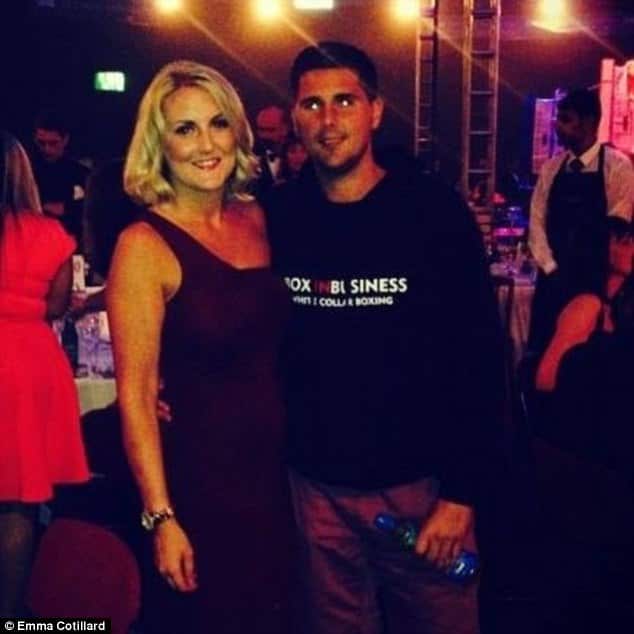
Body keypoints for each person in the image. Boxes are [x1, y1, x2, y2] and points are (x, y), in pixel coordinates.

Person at [263, 42, 505, 634]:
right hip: (317, 490)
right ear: (294, 117)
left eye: (344, 101)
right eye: (312, 105)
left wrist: (462, 495)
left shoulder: (432, 212)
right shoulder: (279, 216)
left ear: (375, 110)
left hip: (420, 491)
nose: (328, 119)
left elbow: (480, 357)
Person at [106, 60, 295, 634]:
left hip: (278, 477)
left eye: (218, 123)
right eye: (185, 129)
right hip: (199, 481)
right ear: (158, 144)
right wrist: (161, 517)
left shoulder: (260, 218)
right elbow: (136, 395)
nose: (206, 144)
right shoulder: (142, 246)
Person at [0, 131, 89, 617]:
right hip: (29, 364)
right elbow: (55, 306)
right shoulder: (51, 235)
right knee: (19, 500)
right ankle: (12, 616)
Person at [532, 216, 634, 631]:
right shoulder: (587, 304)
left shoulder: (621, 305)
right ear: (601, 250)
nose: (630, 247)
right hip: (577, 449)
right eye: (622, 240)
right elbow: (545, 378)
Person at [528, 88, 634, 354]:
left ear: (588, 123)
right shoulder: (551, 169)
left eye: (566, 119)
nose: (557, 126)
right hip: (552, 282)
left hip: (594, 282)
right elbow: (536, 224)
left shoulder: (618, 167)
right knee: (543, 351)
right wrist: (551, 269)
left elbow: (618, 226)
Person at [30, 111, 90, 249]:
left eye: (53, 143)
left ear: (65, 140)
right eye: (41, 143)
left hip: (69, 242)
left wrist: (66, 209)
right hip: (35, 242)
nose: (47, 149)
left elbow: (92, 209)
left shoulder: (81, 173)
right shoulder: (27, 171)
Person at [253, 104, 290, 194]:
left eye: (270, 130)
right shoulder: (251, 157)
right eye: (261, 130)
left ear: (285, 129)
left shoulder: (300, 154)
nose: (264, 136)